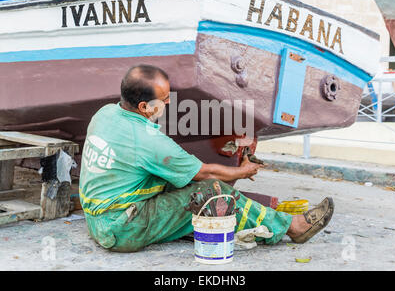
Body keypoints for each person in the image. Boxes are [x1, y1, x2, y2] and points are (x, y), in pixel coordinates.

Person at [79, 64, 334, 252]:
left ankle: (215, 223)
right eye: (165, 100)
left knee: (180, 182)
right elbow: (205, 174)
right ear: (144, 107)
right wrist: (242, 172)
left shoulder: (106, 113)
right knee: (212, 191)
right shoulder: (146, 139)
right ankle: (293, 227)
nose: (169, 104)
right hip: (123, 229)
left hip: (98, 221)